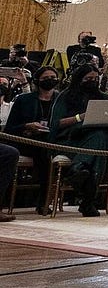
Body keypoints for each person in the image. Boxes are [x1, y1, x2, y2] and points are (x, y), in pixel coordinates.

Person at [49, 61, 108, 217]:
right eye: (88, 78)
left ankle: (79, 168)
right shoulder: (66, 96)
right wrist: (81, 118)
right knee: (100, 145)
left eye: (95, 78)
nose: (92, 82)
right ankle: (88, 201)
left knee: (101, 136)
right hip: (69, 140)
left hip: (95, 138)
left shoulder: (104, 98)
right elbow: (56, 123)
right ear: (79, 78)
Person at [4, 64, 59, 214]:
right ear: (37, 80)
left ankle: (47, 198)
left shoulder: (61, 100)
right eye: (45, 78)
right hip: (27, 141)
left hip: (53, 141)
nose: (49, 80)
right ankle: (42, 201)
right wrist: (27, 126)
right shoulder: (24, 100)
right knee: (44, 152)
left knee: (47, 151)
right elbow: (10, 129)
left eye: (53, 78)